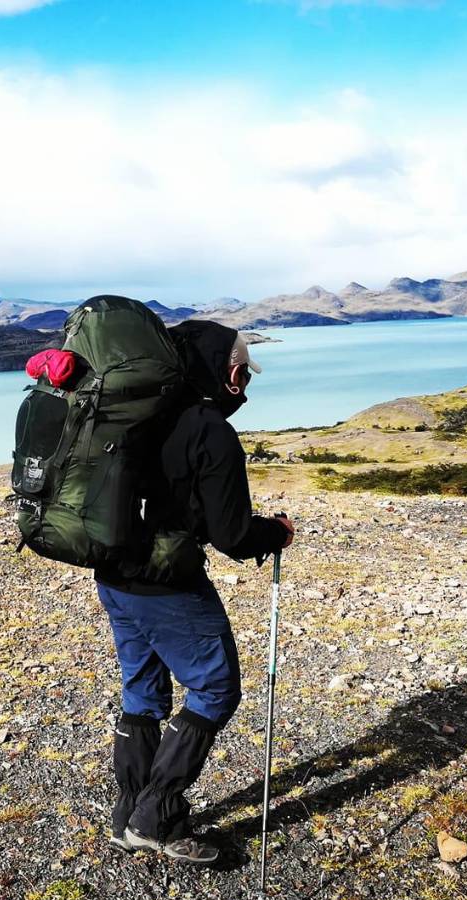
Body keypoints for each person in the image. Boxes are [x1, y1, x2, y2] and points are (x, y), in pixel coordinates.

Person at [94, 320, 295, 864]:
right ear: (218, 368)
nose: (243, 378)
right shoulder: (208, 429)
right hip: (167, 586)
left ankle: (128, 813)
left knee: (142, 692)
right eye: (239, 368)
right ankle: (154, 819)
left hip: (113, 575)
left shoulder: (140, 414)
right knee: (215, 689)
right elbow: (231, 534)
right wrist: (276, 531)